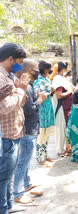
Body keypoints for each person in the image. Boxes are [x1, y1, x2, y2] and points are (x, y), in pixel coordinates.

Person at [13, 59, 47, 204]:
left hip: (29, 128)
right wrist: (40, 99)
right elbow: (30, 110)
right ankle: (18, 193)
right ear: (28, 70)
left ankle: (26, 184)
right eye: (34, 69)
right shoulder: (26, 87)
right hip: (27, 129)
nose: (37, 71)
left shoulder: (29, 86)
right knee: (23, 161)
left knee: (25, 161)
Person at [0, 43, 28, 214]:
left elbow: (20, 101)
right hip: (6, 136)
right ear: (10, 59)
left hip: (14, 133)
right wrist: (20, 91)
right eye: (19, 61)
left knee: (7, 177)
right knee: (3, 178)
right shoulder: (1, 78)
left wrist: (20, 91)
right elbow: (3, 108)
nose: (20, 66)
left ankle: (8, 206)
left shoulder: (8, 76)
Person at [33, 60, 55, 165]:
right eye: (50, 68)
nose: (51, 70)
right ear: (46, 69)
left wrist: (51, 91)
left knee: (46, 134)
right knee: (41, 134)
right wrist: (49, 91)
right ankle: (40, 158)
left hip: (48, 108)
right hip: (42, 109)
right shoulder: (39, 80)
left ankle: (45, 155)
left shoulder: (46, 79)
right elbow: (38, 94)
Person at [52, 62, 73, 157]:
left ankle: (65, 148)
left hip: (66, 107)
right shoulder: (58, 79)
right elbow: (59, 95)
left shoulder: (62, 79)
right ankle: (60, 150)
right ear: (64, 69)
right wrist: (70, 91)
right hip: (61, 107)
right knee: (61, 129)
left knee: (65, 129)